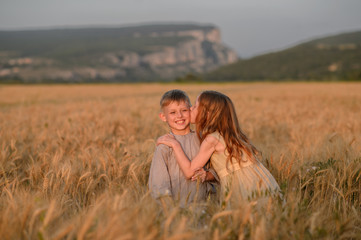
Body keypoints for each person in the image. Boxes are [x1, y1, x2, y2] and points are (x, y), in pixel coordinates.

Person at [157, 90, 280, 207]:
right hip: (260, 183)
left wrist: (175, 144)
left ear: (207, 114)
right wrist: (206, 175)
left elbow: (189, 172)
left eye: (195, 106)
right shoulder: (225, 134)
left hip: (242, 187)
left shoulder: (211, 140)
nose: (190, 109)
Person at [148, 89, 219, 207]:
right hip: (177, 206)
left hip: (204, 205)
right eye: (173, 113)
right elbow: (159, 183)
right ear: (163, 116)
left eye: (184, 110)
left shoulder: (204, 140)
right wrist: (168, 208)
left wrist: (207, 175)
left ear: (191, 110)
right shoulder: (165, 146)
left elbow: (218, 170)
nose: (179, 116)